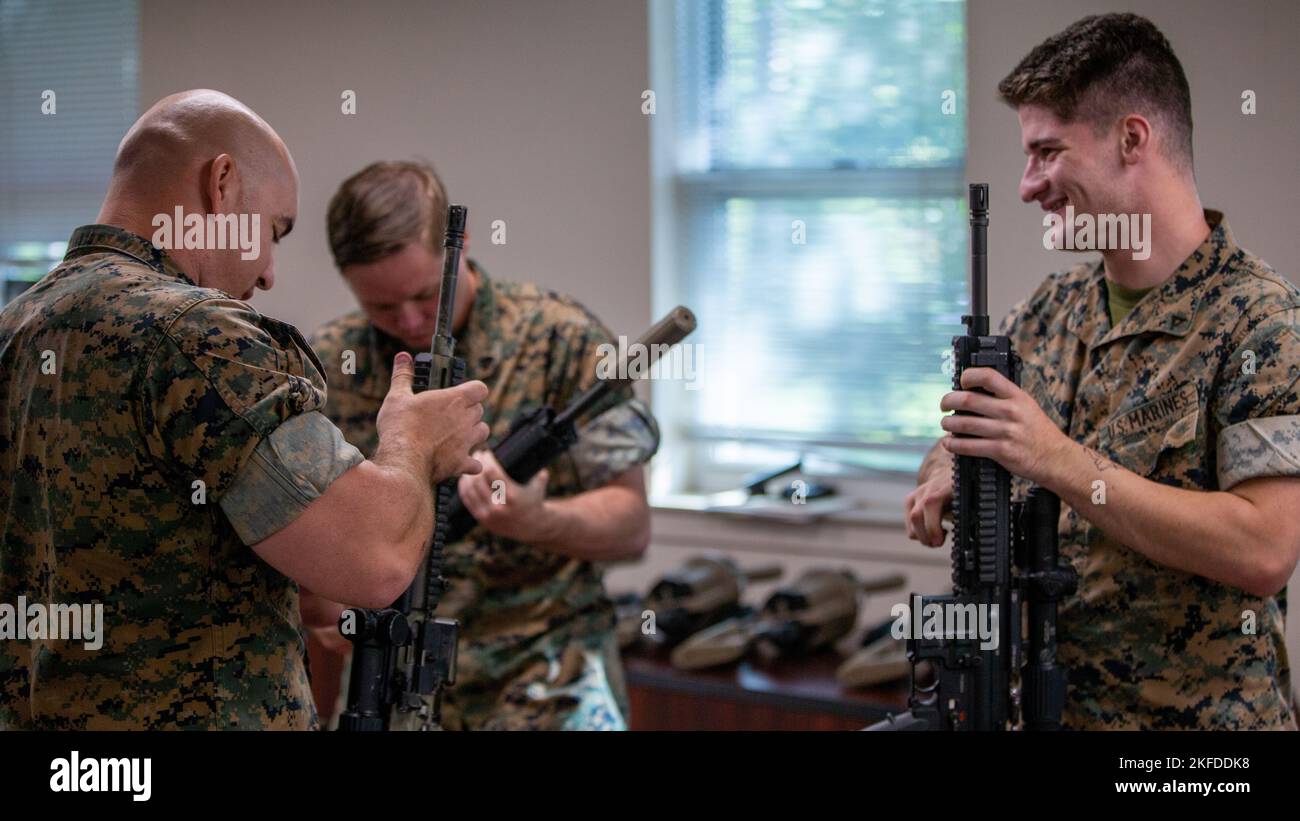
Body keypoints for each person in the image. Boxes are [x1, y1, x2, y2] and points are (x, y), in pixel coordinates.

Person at [0, 91, 489, 730]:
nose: (268, 273)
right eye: (273, 231)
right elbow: (375, 560)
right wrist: (415, 441)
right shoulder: (194, 332)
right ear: (222, 185)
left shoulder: (18, 327)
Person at [905, 13, 1300, 730]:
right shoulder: (1050, 311)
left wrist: (1057, 459)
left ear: (1132, 139)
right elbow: (971, 431)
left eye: (1047, 153)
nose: (1028, 187)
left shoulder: (1259, 320)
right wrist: (945, 467)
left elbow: (1265, 546)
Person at [307, 160, 659, 730]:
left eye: (423, 294)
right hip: (392, 672)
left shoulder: (559, 339)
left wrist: (539, 520)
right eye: (382, 307)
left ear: (460, 244)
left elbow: (631, 525)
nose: (411, 319)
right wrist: (327, 605)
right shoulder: (330, 364)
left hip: (544, 668)